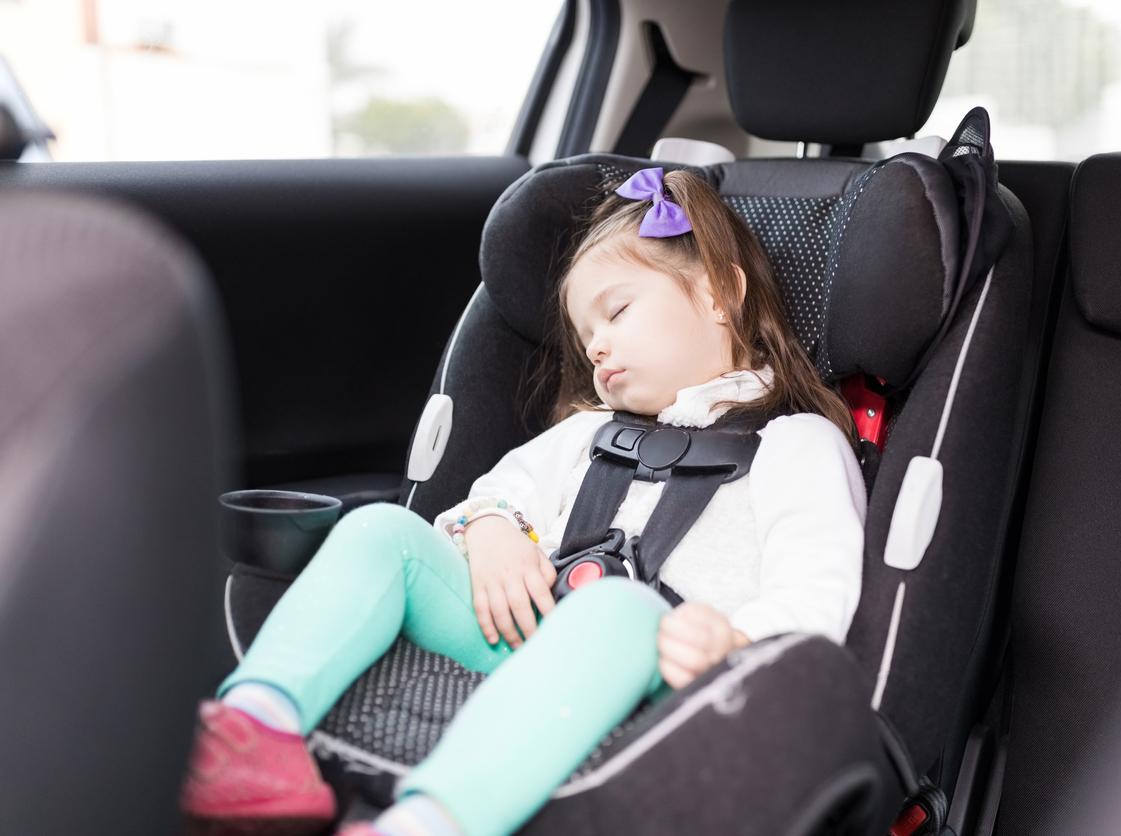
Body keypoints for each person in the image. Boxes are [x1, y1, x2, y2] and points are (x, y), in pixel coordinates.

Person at [180, 167, 868, 836]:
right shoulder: (588, 433)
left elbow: (816, 592)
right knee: (383, 529)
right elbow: (492, 498)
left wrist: (736, 643)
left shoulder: (796, 443)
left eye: (617, 311)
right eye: (585, 335)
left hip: (678, 684)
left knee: (619, 606)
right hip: (534, 642)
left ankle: (429, 821)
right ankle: (257, 729)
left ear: (720, 294)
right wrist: (493, 530)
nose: (596, 347)